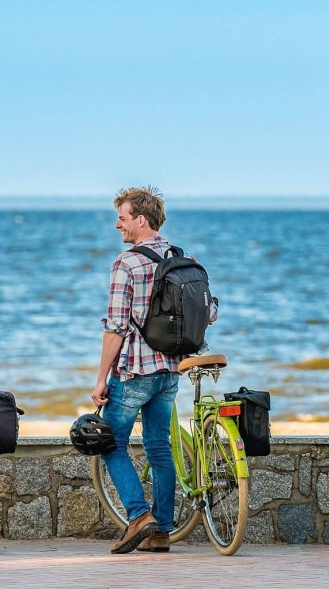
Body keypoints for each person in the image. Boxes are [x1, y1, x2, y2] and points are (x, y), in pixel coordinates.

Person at [91, 186, 216, 554]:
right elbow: (208, 313)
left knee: (110, 444)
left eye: (123, 218)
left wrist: (101, 378)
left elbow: (116, 326)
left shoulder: (126, 263)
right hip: (171, 371)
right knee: (159, 448)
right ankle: (161, 531)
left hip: (134, 373)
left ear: (141, 220)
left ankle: (138, 514)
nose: (117, 225)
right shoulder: (185, 259)